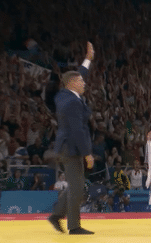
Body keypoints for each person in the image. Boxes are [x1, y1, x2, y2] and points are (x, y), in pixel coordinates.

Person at [48, 42, 95, 235]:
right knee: (77, 188)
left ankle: (56, 215)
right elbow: (78, 131)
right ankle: (74, 226)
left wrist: (88, 60)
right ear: (72, 84)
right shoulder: (73, 103)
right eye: (81, 81)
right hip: (72, 148)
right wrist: (88, 154)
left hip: (65, 147)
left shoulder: (63, 95)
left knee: (76, 184)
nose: (84, 82)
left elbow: (78, 74)